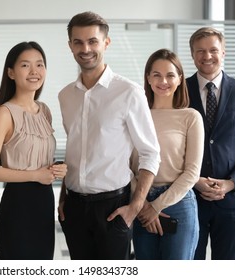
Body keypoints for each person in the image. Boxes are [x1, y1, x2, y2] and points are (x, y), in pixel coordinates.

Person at [57, 11, 161, 260]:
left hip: (114, 207)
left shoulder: (129, 92)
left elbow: (150, 154)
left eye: (93, 41)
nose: (86, 48)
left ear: (106, 42)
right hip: (73, 207)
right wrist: (62, 198)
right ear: (70, 45)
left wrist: (135, 207)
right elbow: (74, 151)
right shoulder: (65, 96)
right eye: (78, 42)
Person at [0, 41, 67, 260]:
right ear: (11, 72)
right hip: (18, 206)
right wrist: (36, 175)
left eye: (40, 64)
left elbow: (38, 157)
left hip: (45, 204)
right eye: (25, 65)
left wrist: (56, 169)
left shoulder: (44, 110)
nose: (34, 71)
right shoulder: (4, 114)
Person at [186, 27, 235, 260]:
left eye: (213, 50)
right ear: (192, 54)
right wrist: (194, 181)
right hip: (189, 197)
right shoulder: (179, 91)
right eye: (200, 51)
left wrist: (231, 183)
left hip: (231, 200)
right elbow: (170, 148)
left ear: (223, 52)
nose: (207, 56)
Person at [131, 48, 204, 259]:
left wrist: (157, 206)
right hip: (141, 204)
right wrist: (143, 203)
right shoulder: (135, 116)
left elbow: (191, 172)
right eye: (157, 75)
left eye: (170, 75)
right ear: (148, 78)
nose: (164, 81)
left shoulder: (190, 117)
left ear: (180, 79)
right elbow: (126, 167)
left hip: (178, 204)